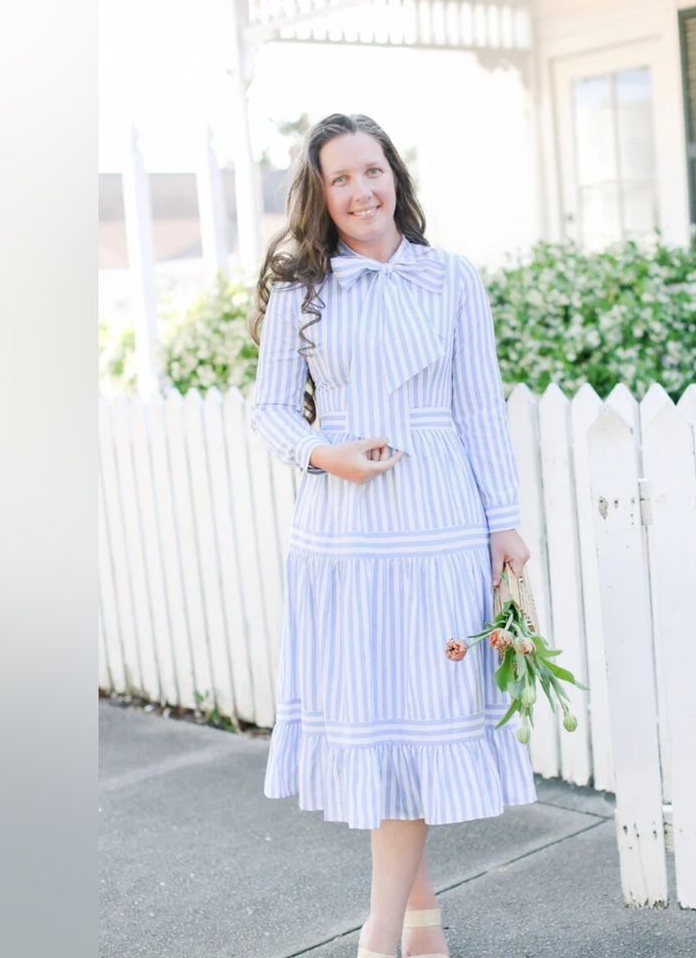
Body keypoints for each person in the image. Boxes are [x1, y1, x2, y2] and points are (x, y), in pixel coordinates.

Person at [248, 112, 536, 958]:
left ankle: (379, 939)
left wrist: (505, 524)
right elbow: (264, 413)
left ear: (395, 177)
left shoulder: (452, 280)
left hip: (439, 526)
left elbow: (480, 407)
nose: (360, 190)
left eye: (371, 171)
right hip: (343, 539)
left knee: (411, 723)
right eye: (340, 179)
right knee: (381, 728)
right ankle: (418, 928)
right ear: (321, 195)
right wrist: (323, 454)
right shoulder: (303, 289)